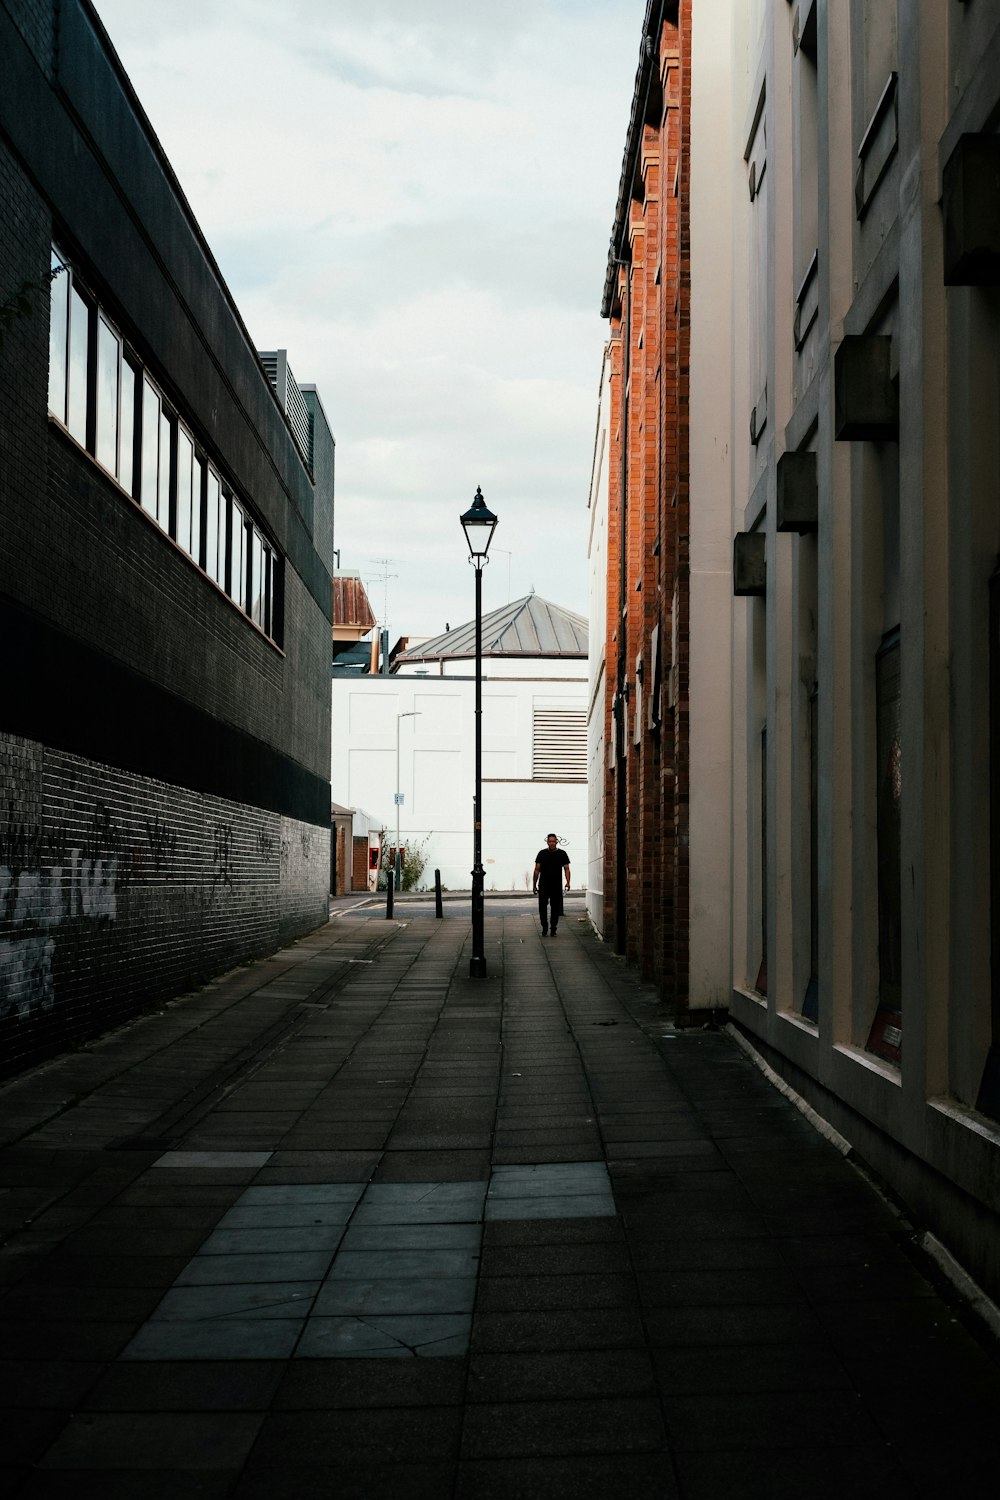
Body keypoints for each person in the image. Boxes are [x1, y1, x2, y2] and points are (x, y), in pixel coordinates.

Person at [533, 833, 571, 936]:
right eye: (550, 841)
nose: (551, 843)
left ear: (556, 842)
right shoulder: (542, 853)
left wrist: (568, 882)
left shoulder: (562, 854)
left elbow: (566, 869)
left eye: (553, 841)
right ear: (547, 842)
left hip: (556, 885)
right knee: (542, 908)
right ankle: (544, 927)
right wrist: (534, 885)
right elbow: (537, 870)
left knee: (555, 908)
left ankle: (553, 928)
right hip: (544, 884)